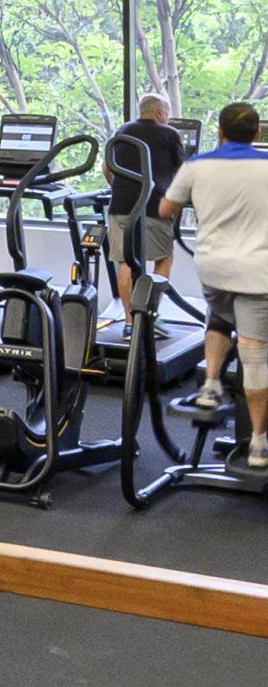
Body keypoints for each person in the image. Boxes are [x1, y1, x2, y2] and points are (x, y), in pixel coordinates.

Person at [158, 102, 268, 467]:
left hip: (214, 269)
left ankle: (210, 385)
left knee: (219, 319)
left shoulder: (196, 165)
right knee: (254, 351)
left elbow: (165, 210)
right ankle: (257, 442)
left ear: (219, 132)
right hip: (258, 272)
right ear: (257, 134)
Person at [106, 93, 187, 329]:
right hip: (153, 206)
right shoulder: (169, 134)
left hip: (120, 206)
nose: (169, 118)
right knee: (163, 258)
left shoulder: (122, 130)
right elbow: (183, 172)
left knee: (125, 261)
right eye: (168, 113)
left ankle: (131, 322)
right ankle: (148, 316)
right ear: (160, 113)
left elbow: (107, 167)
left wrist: (119, 188)